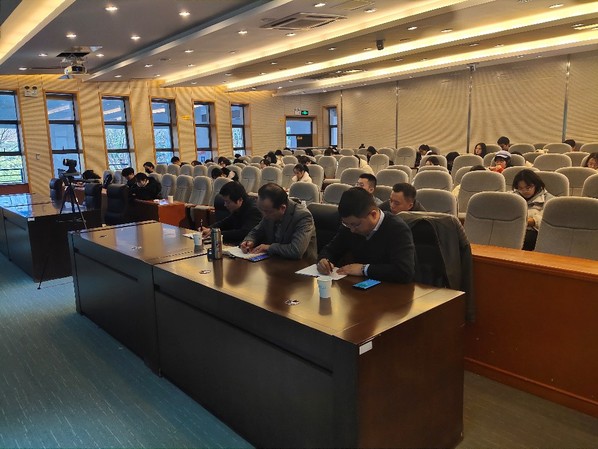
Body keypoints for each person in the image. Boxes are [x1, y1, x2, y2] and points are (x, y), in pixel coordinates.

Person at [316, 187, 415, 283]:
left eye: (356, 225)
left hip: (394, 289)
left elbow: (404, 271)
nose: (352, 230)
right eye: (346, 224)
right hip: (361, 286)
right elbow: (331, 249)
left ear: (373, 215)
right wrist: (324, 261)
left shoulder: (397, 229)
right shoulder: (349, 226)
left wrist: (364, 269)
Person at [240, 183, 317, 260]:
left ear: (282, 208)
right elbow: (256, 231)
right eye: (261, 210)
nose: (264, 215)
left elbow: (296, 250)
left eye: (267, 211)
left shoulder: (302, 216)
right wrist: (249, 241)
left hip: (301, 263)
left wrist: (269, 247)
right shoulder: (268, 211)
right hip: (276, 260)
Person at [512, 169, 554, 251]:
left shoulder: (549, 200)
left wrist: (532, 221)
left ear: (536, 185)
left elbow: (548, 221)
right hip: (514, 229)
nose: (524, 191)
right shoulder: (512, 196)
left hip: (535, 233)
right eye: (520, 188)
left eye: (528, 188)